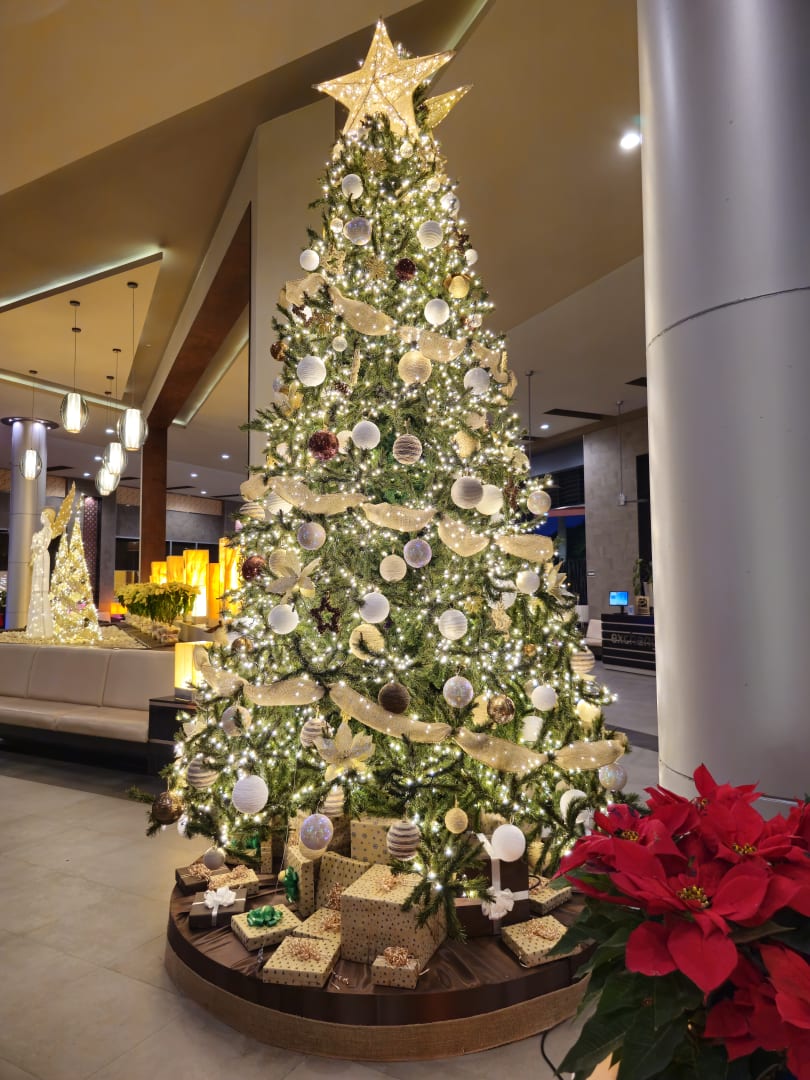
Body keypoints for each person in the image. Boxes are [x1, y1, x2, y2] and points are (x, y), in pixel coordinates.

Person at [26, 507, 56, 638]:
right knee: (36, 588)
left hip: (42, 557)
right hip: (39, 558)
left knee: (41, 589)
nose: (41, 518)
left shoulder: (48, 530)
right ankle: (36, 627)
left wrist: (35, 541)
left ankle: (43, 629)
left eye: (43, 515)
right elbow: (34, 547)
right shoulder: (42, 531)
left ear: (48, 517)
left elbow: (42, 546)